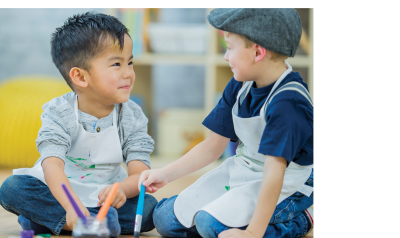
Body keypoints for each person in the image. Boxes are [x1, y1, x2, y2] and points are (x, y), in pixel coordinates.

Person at [139, 8, 314, 238]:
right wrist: (166, 174)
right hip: (245, 171)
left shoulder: (288, 103)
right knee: (165, 219)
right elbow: (213, 145)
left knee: (209, 224)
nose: (225, 56)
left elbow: (274, 174)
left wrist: (252, 233)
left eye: (230, 48)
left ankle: (303, 217)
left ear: (257, 52)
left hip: (286, 184)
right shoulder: (241, 83)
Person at [0, 12, 157, 237]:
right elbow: (52, 166)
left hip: (106, 197)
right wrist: (72, 207)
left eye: (130, 62)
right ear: (81, 77)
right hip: (59, 194)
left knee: (149, 207)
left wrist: (122, 189)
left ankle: (52, 221)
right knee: (12, 189)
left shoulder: (132, 115)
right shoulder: (58, 112)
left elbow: (139, 172)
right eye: (116, 64)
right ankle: (82, 221)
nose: (129, 73)